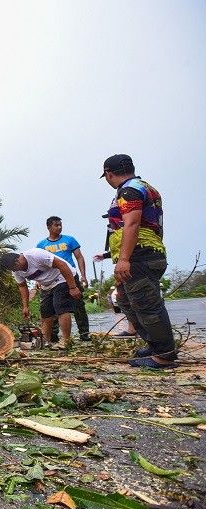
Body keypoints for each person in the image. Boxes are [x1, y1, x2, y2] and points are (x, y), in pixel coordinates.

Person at [101, 154, 176, 368]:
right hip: (146, 252)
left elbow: (132, 224)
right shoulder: (145, 187)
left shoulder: (129, 190)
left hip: (139, 255)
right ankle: (155, 344)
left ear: (109, 173)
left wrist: (124, 259)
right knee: (125, 300)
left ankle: (164, 354)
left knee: (146, 304)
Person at [1, 249, 82, 348]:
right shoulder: (16, 271)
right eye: (12, 270)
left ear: (17, 260)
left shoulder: (36, 255)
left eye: (14, 268)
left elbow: (62, 265)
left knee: (61, 307)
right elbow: (22, 286)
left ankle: (66, 341)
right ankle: (44, 341)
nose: (15, 271)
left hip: (63, 277)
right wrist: (25, 306)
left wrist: (73, 287)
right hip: (46, 285)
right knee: (45, 313)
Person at [36, 216, 91, 341]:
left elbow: (79, 257)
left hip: (71, 276)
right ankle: (54, 335)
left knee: (78, 304)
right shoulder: (41, 244)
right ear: (49, 227)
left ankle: (84, 333)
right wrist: (38, 281)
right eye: (56, 225)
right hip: (53, 279)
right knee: (54, 307)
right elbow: (39, 263)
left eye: (60, 225)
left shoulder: (69, 240)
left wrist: (83, 275)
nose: (59, 227)